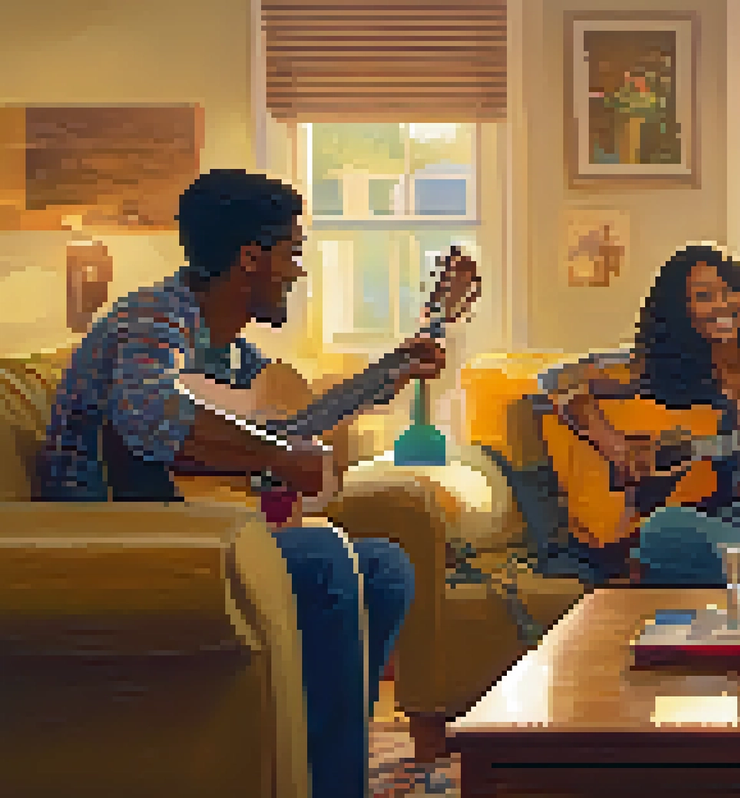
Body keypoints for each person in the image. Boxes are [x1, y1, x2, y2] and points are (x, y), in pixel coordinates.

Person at [34, 168, 444, 797]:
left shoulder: (227, 351)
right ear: (251, 257)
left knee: (384, 567)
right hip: (112, 537)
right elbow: (151, 422)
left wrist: (390, 373)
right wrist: (281, 460)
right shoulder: (152, 323)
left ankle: (306, 763)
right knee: (322, 556)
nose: (297, 271)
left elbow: (288, 427)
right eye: (293, 252)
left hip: (183, 528)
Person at [548, 244, 740, 586]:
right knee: (664, 525)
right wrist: (615, 446)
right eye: (704, 295)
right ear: (680, 311)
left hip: (724, 513)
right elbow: (558, 381)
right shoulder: (651, 370)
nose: (722, 305)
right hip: (668, 513)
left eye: (730, 291)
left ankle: (680, 553)